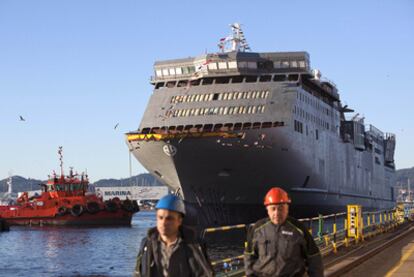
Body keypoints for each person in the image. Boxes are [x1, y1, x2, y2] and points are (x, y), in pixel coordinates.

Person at [244, 187, 324, 277]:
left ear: (287, 208)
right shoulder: (257, 229)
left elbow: (313, 257)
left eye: (281, 208)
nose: (277, 213)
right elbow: (249, 256)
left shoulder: (298, 230)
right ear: (267, 210)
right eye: (273, 209)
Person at [134, 194, 214, 277]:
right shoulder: (147, 244)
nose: (164, 223)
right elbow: (138, 273)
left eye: (169, 218)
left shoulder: (195, 246)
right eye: (160, 217)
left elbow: (205, 273)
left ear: (179, 220)